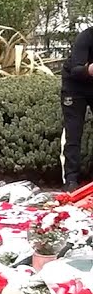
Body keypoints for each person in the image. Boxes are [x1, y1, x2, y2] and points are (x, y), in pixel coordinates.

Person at [62, 27, 93, 191]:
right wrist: (89, 69)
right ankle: (71, 180)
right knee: (73, 133)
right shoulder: (86, 37)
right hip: (74, 85)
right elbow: (76, 69)